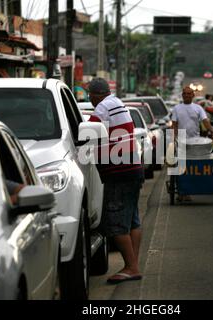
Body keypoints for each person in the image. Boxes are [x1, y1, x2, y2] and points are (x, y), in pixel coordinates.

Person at [88, 77, 144, 284]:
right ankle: (133, 265)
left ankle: (131, 267)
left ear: (95, 94)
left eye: (89, 95)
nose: (90, 99)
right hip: (132, 170)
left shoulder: (102, 108)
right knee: (132, 221)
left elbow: (88, 134)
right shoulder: (118, 103)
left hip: (119, 174)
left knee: (116, 224)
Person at [171, 86, 213, 201]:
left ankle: (193, 188)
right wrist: (174, 138)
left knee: (193, 166)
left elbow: (205, 121)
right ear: (182, 95)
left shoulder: (198, 108)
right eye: (185, 94)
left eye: (189, 94)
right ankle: (182, 192)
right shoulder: (177, 108)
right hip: (181, 141)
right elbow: (174, 125)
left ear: (193, 95)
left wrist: (212, 131)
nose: (186, 95)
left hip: (196, 142)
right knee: (181, 167)